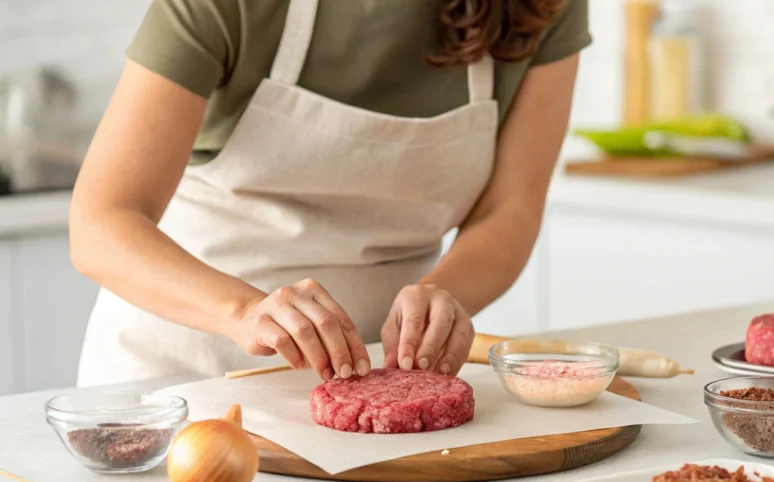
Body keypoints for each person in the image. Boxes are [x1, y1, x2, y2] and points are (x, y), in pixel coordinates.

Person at [70, 0, 589, 387]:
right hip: (179, 378)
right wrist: (244, 311)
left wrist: (445, 292)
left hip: (381, 384)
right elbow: (102, 222)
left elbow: (510, 209)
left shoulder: (542, 8)